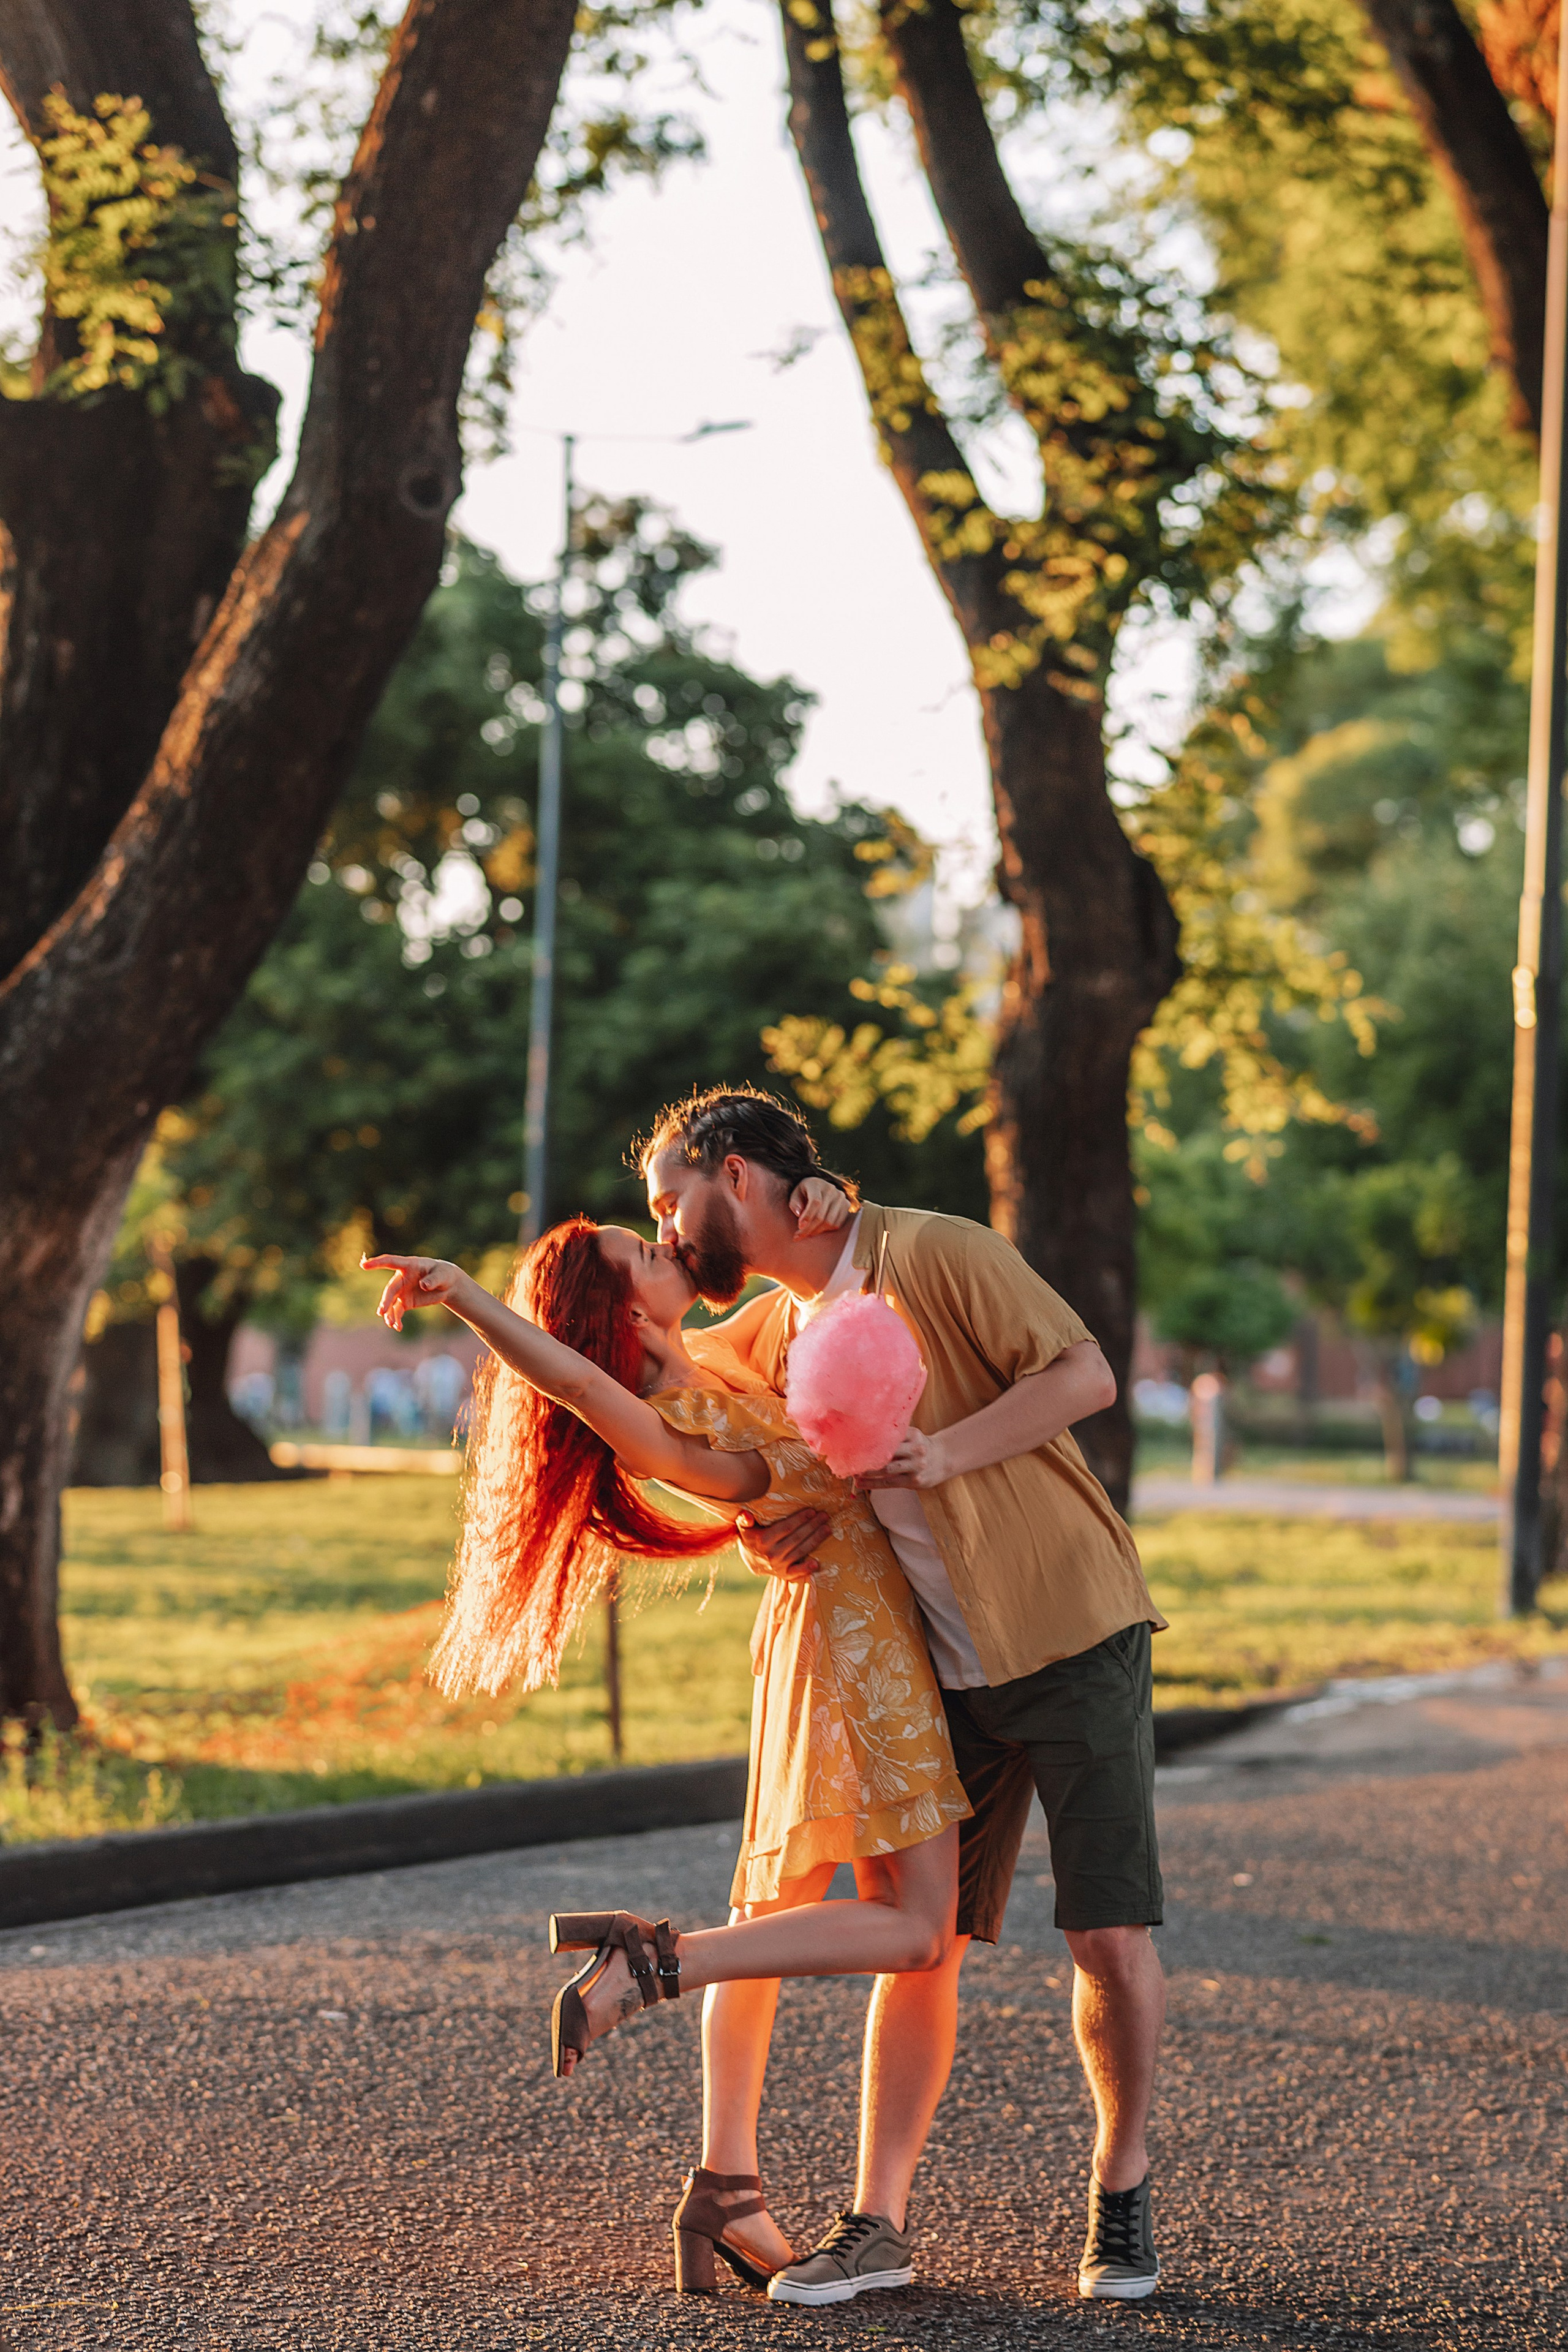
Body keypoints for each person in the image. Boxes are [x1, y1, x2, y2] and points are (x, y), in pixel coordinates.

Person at [360, 1216, 970, 2297]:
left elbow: (830, 1271)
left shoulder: (722, 1355)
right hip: (865, 1669)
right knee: (920, 1934)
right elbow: (583, 1390)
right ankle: (655, 1964)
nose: (662, 1246)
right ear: (629, 1313)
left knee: (773, 1914)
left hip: (818, 1650)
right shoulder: (669, 1413)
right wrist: (465, 1296)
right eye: (640, 1254)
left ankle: (724, 2187)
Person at [638, 1085, 1169, 2305]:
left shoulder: (931, 1251)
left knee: (1103, 1934)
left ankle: (1121, 2182)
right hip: (937, 1668)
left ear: (732, 1173)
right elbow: (690, 1412)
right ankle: (876, 2223)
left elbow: (1082, 1372)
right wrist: (746, 1533)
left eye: (670, 1200)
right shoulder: (777, 1324)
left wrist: (946, 1451)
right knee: (920, 1949)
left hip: (1068, 1627)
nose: (667, 1231)